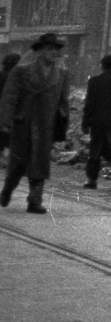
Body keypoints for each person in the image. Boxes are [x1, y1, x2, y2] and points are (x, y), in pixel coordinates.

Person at [0, 33, 71, 213]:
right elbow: (9, 97)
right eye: (49, 49)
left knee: (40, 163)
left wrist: (64, 123)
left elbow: (64, 100)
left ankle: (34, 201)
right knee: (18, 163)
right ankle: (7, 190)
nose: (53, 52)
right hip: (23, 122)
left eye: (56, 49)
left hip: (46, 124)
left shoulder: (62, 74)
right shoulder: (21, 71)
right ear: (40, 51)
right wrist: (5, 122)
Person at [82, 55, 111, 191]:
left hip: (98, 121)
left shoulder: (94, 81)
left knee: (95, 150)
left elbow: (89, 103)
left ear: (101, 65)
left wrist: (85, 122)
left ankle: (91, 180)